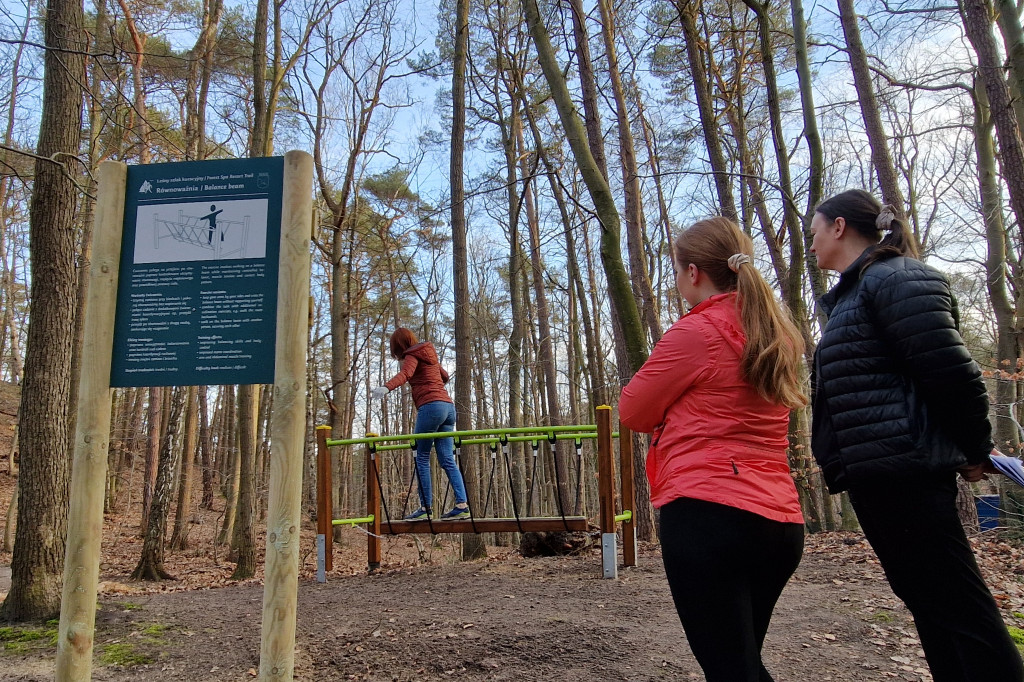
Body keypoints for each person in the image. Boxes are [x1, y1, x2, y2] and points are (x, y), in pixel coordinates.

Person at [809, 189, 1024, 682]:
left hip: (906, 472)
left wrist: (974, 450)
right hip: (880, 476)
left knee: (961, 608)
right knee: (929, 603)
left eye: (815, 230)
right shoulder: (855, 292)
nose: (813, 242)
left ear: (839, 227)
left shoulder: (898, 279)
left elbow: (953, 374)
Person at [619, 217, 807, 682]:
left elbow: (632, 411)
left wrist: (672, 410)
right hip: (780, 523)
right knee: (740, 664)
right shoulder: (778, 334)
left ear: (694, 273)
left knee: (731, 669)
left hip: (709, 516)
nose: (677, 279)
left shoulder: (695, 334)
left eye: (677, 269)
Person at [371, 327, 470, 521]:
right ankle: (462, 505)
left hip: (431, 407)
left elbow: (406, 374)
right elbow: (445, 376)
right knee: (447, 459)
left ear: (399, 345)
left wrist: (386, 387)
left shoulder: (411, 355)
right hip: (449, 408)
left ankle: (425, 508)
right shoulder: (429, 354)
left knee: (421, 457)